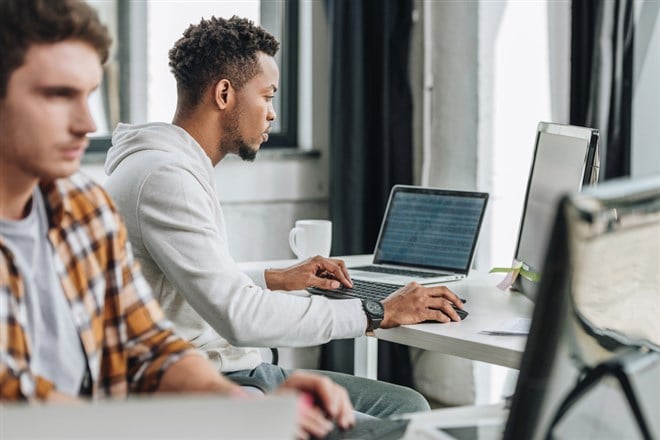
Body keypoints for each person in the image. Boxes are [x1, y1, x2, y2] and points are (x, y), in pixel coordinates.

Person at [0, 1, 354, 438]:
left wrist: (236, 402)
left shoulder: (84, 214)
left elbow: (150, 344)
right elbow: (21, 409)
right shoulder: (159, 177)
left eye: (88, 95)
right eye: (58, 95)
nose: (86, 123)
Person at [104, 15, 466, 418]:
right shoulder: (164, 177)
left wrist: (274, 280)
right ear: (224, 93)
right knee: (404, 426)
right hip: (214, 386)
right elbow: (240, 318)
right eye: (267, 96)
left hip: (238, 369)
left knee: (407, 405)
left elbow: (189, 285)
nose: (273, 113)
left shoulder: (169, 165)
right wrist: (378, 311)